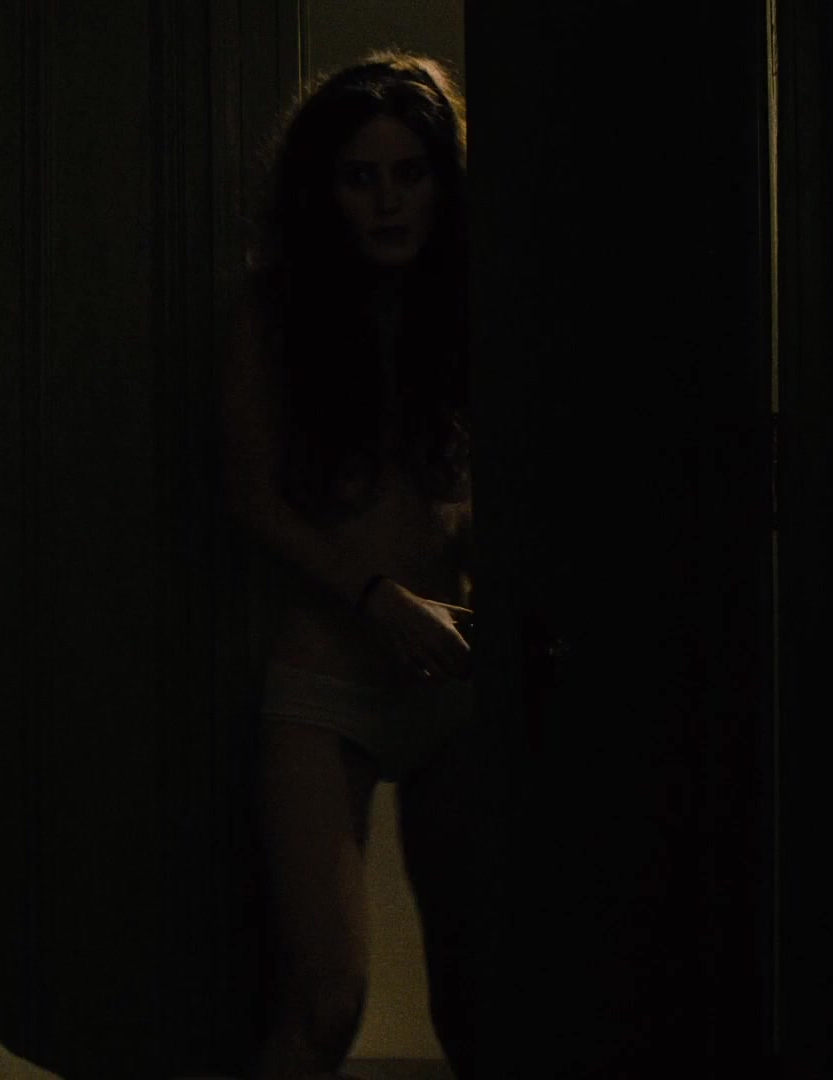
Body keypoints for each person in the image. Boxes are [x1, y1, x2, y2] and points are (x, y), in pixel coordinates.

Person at [220, 51, 485, 1079]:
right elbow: (257, 497)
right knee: (326, 1004)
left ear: (443, 180)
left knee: (484, 1001)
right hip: (329, 682)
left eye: (408, 173)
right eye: (359, 177)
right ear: (322, 190)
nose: (386, 201)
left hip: (458, 680)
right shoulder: (278, 314)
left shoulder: (473, 305)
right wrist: (381, 600)